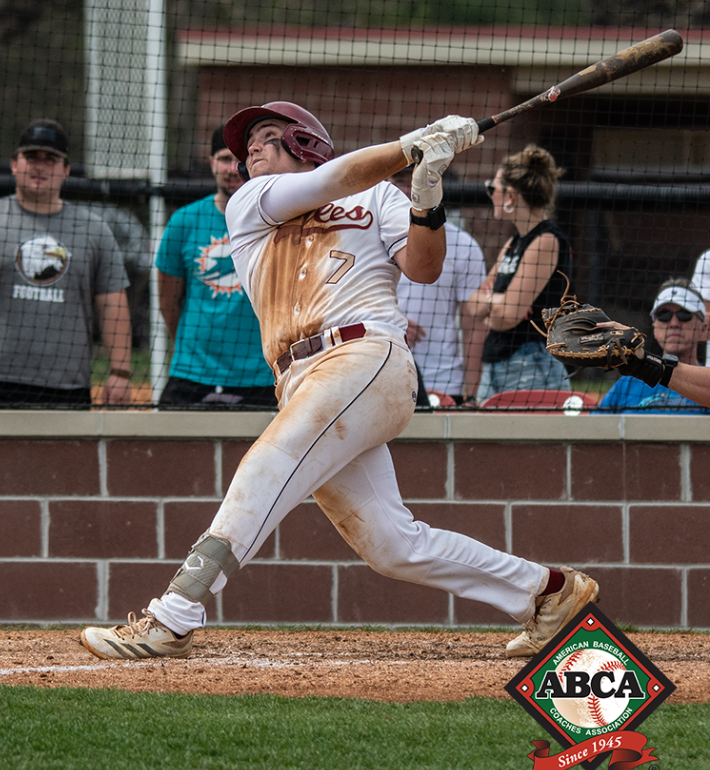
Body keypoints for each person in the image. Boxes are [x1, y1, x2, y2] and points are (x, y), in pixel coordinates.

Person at [80, 102, 596, 662]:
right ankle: (549, 593)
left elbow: (424, 267)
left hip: (366, 354)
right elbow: (334, 177)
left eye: (269, 137)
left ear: (306, 141)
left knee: (268, 460)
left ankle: (173, 616)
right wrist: (411, 143)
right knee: (393, 545)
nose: (249, 149)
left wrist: (425, 191)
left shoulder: (376, 196)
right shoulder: (252, 202)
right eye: (247, 142)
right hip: (300, 376)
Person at [0, 118, 131, 406]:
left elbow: (113, 301)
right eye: (31, 157)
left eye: (50, 159)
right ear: (14, 164)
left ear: (65, 170)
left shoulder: (93, 229)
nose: (39, 166)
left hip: (66, 384)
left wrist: (120, 371)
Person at [154, 129, 277, 407]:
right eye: (224, 159)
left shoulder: (274, 222)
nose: (232, 168)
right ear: (211, 163)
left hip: (259, 376)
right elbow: (168, 301)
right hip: (193, 372)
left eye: (239, 159)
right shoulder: (183, 222)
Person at [463, 145, 572, 399]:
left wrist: (494, 302)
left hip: (531, 362)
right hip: (496, 361)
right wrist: (500, 301)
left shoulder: (546, 240)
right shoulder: (513, 244)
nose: (491, 195)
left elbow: (508, 316)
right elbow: (473, 304)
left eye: (494, 188)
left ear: (511, 196)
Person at [392, 170, 488, 403]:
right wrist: (393, 325)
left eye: (412, 183)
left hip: (443, 382)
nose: (407, 191)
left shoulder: (464, 246)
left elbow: (474, 327)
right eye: (399, 183)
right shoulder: (370, 236)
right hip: (382, 376)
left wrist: (472, 395)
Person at [594, 281, 710, 413]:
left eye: (684, 314)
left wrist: (647, 363)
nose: (674, 323)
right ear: (654, 326)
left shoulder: (705, 387)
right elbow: (594, 429)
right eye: (664, 315)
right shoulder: (627, 384)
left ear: (704, 329)